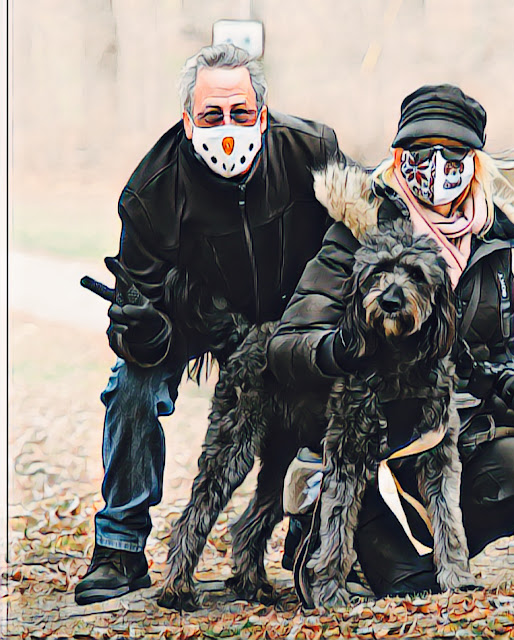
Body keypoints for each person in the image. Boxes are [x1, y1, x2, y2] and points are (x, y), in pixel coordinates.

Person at [74, 43, 347, 605]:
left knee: (335, 387)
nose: (228, 128)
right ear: (187, 120)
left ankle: (308, 531)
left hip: (291, 318)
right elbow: (135, 302)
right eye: (212, 114)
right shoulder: (150, 192)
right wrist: (142, 332)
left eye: (241, 113)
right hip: (194, 320)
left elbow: (358, 229)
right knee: (131, 388)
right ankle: (120, 546)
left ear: (262, 114)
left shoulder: (313, 150)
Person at [267, 84, 514, 600]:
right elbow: (287, 345)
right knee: (405, 588)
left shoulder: (493, 240)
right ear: (399, 156)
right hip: (365, 430)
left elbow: (496, 351)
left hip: (437, 423)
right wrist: (340, 348)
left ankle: (425, 557)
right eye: (421, 152)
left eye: (454, 153)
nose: (437, 167)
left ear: (476, 162)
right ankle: (328, 535)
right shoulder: (360, 226)